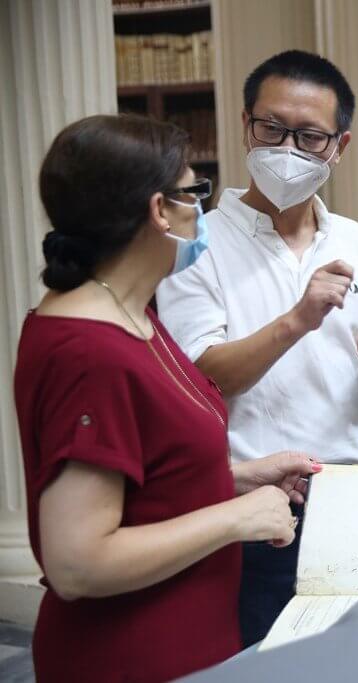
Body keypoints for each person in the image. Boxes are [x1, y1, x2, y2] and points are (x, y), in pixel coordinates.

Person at [14, 114, 320, 683]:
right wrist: (236, 517)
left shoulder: (132, 312)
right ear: (159, 210)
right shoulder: (89, 352)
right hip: (129, 656)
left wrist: (237, 476)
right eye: (192, 192)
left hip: (190, 640)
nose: (199, 210)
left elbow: (144, 481)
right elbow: (78, 562)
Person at [156, 50, 358, 646]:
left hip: (353, 488)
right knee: (264, 658)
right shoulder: (201, 240)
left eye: (310, 136)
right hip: (257, 500)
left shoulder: (351, 237)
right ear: (246, 125)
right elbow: (203, 377)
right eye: (272, 127)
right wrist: (298, 318)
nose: (288, 148)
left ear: (339, 145)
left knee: (355, 655)